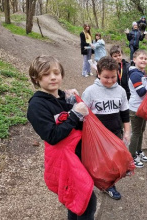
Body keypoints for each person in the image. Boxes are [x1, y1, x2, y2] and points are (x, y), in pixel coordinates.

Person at [27, 55, 96, 219]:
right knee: (87, 201)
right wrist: (74, 114)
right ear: (36, 78)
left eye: (56, 73)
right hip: (63, 162)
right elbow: (51, 135)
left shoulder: (60, 97)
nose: (52, 77)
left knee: (75, 200)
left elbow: (74, 124)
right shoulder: (36, 106)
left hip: (76, 158)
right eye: (46, 74)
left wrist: (70, 101)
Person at [82, 56, 130, 200]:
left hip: (115, 132)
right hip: (97, 137)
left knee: (112, 162)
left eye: (113, 77)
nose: (109, 81)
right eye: (105, 77)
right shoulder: (90, 91)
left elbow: (124, 113)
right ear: (98, 73)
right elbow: (82, 114)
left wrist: (127, 131)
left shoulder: (120, 91)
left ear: (117, 73)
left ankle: (109, 185)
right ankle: (91, 184)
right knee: (98, 162)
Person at [128, 49, 147, 168]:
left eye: (145, 58)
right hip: (135, 108)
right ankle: (130, 157)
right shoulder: (134, 75)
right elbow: (141, 92)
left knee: (141, 131)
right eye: (141, 58)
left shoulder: (142, 73)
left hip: (143, 108)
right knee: (136, 132)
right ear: (134, 60)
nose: (144, 60)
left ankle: (138, 151)